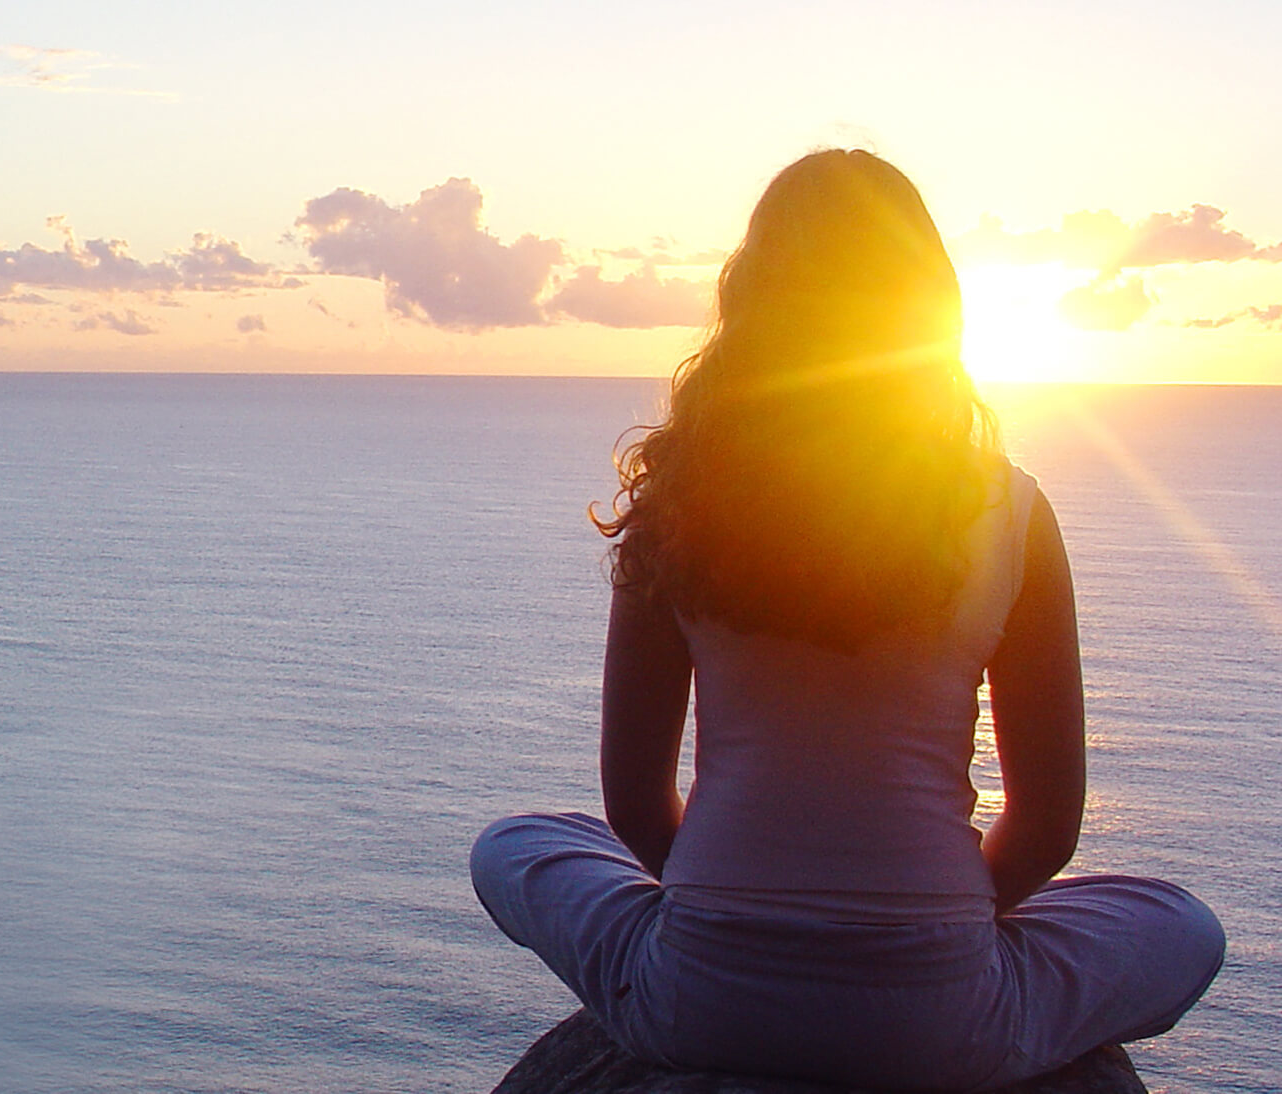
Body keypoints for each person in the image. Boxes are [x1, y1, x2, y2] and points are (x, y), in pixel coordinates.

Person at [469, 150, 1224, 1090]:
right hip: (935, 1020)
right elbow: (1048, 822)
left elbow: (631, 803)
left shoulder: (679, 505)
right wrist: (915, 926)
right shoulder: (1013, 510)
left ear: (749, 303)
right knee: (1181, 923)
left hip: (699, 1000)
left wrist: (734, 912)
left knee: (516, 846)